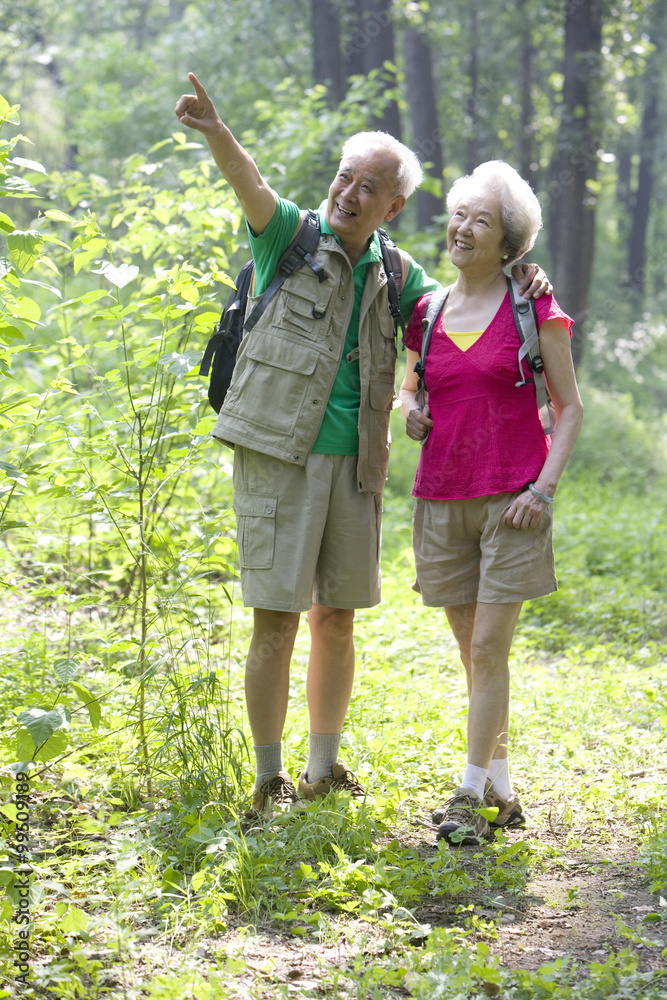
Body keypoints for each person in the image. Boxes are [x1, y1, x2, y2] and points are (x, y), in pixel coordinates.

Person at [175, 74, 549, 819]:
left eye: (368, 185)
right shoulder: (287, 234)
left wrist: (520, 273)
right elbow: (248, 182)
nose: (348, 192)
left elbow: (457, 311)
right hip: (279, 453)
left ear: (393, 204)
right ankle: (266, 774)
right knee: (274, 617)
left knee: (334, 618)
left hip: (357, 466)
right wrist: (217, 131)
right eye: (344, 177)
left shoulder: (403, 274)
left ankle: (321, 766)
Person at [399, 160, 583, 845]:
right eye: (458, 215)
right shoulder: (427, 310)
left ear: (509, 243)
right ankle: (502, 791)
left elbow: (569, 409)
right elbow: (411, 384)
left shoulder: (534, 308)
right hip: (441, 498)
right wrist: (409, 407)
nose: (462, 228)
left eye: (481, 219)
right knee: (475, 657)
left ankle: (467, 793)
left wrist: (543, 489)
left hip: (513, 499)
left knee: (486, 646)